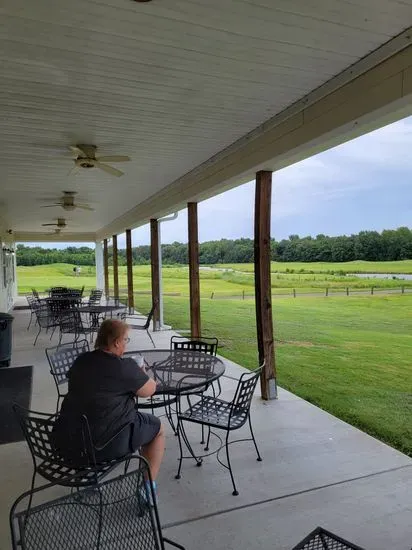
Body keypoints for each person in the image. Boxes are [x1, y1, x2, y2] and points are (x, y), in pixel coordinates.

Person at [53, 319, 164, 495]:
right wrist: (141, 371)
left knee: (90, 414)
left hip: (69, 441)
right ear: (116, 342)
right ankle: (148, 487)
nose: (126, 344)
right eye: (126, 340)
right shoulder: (124, 367)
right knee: (158, 429)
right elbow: (150, 390)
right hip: (105, 445)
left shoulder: (81, 361)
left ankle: (88, 478)